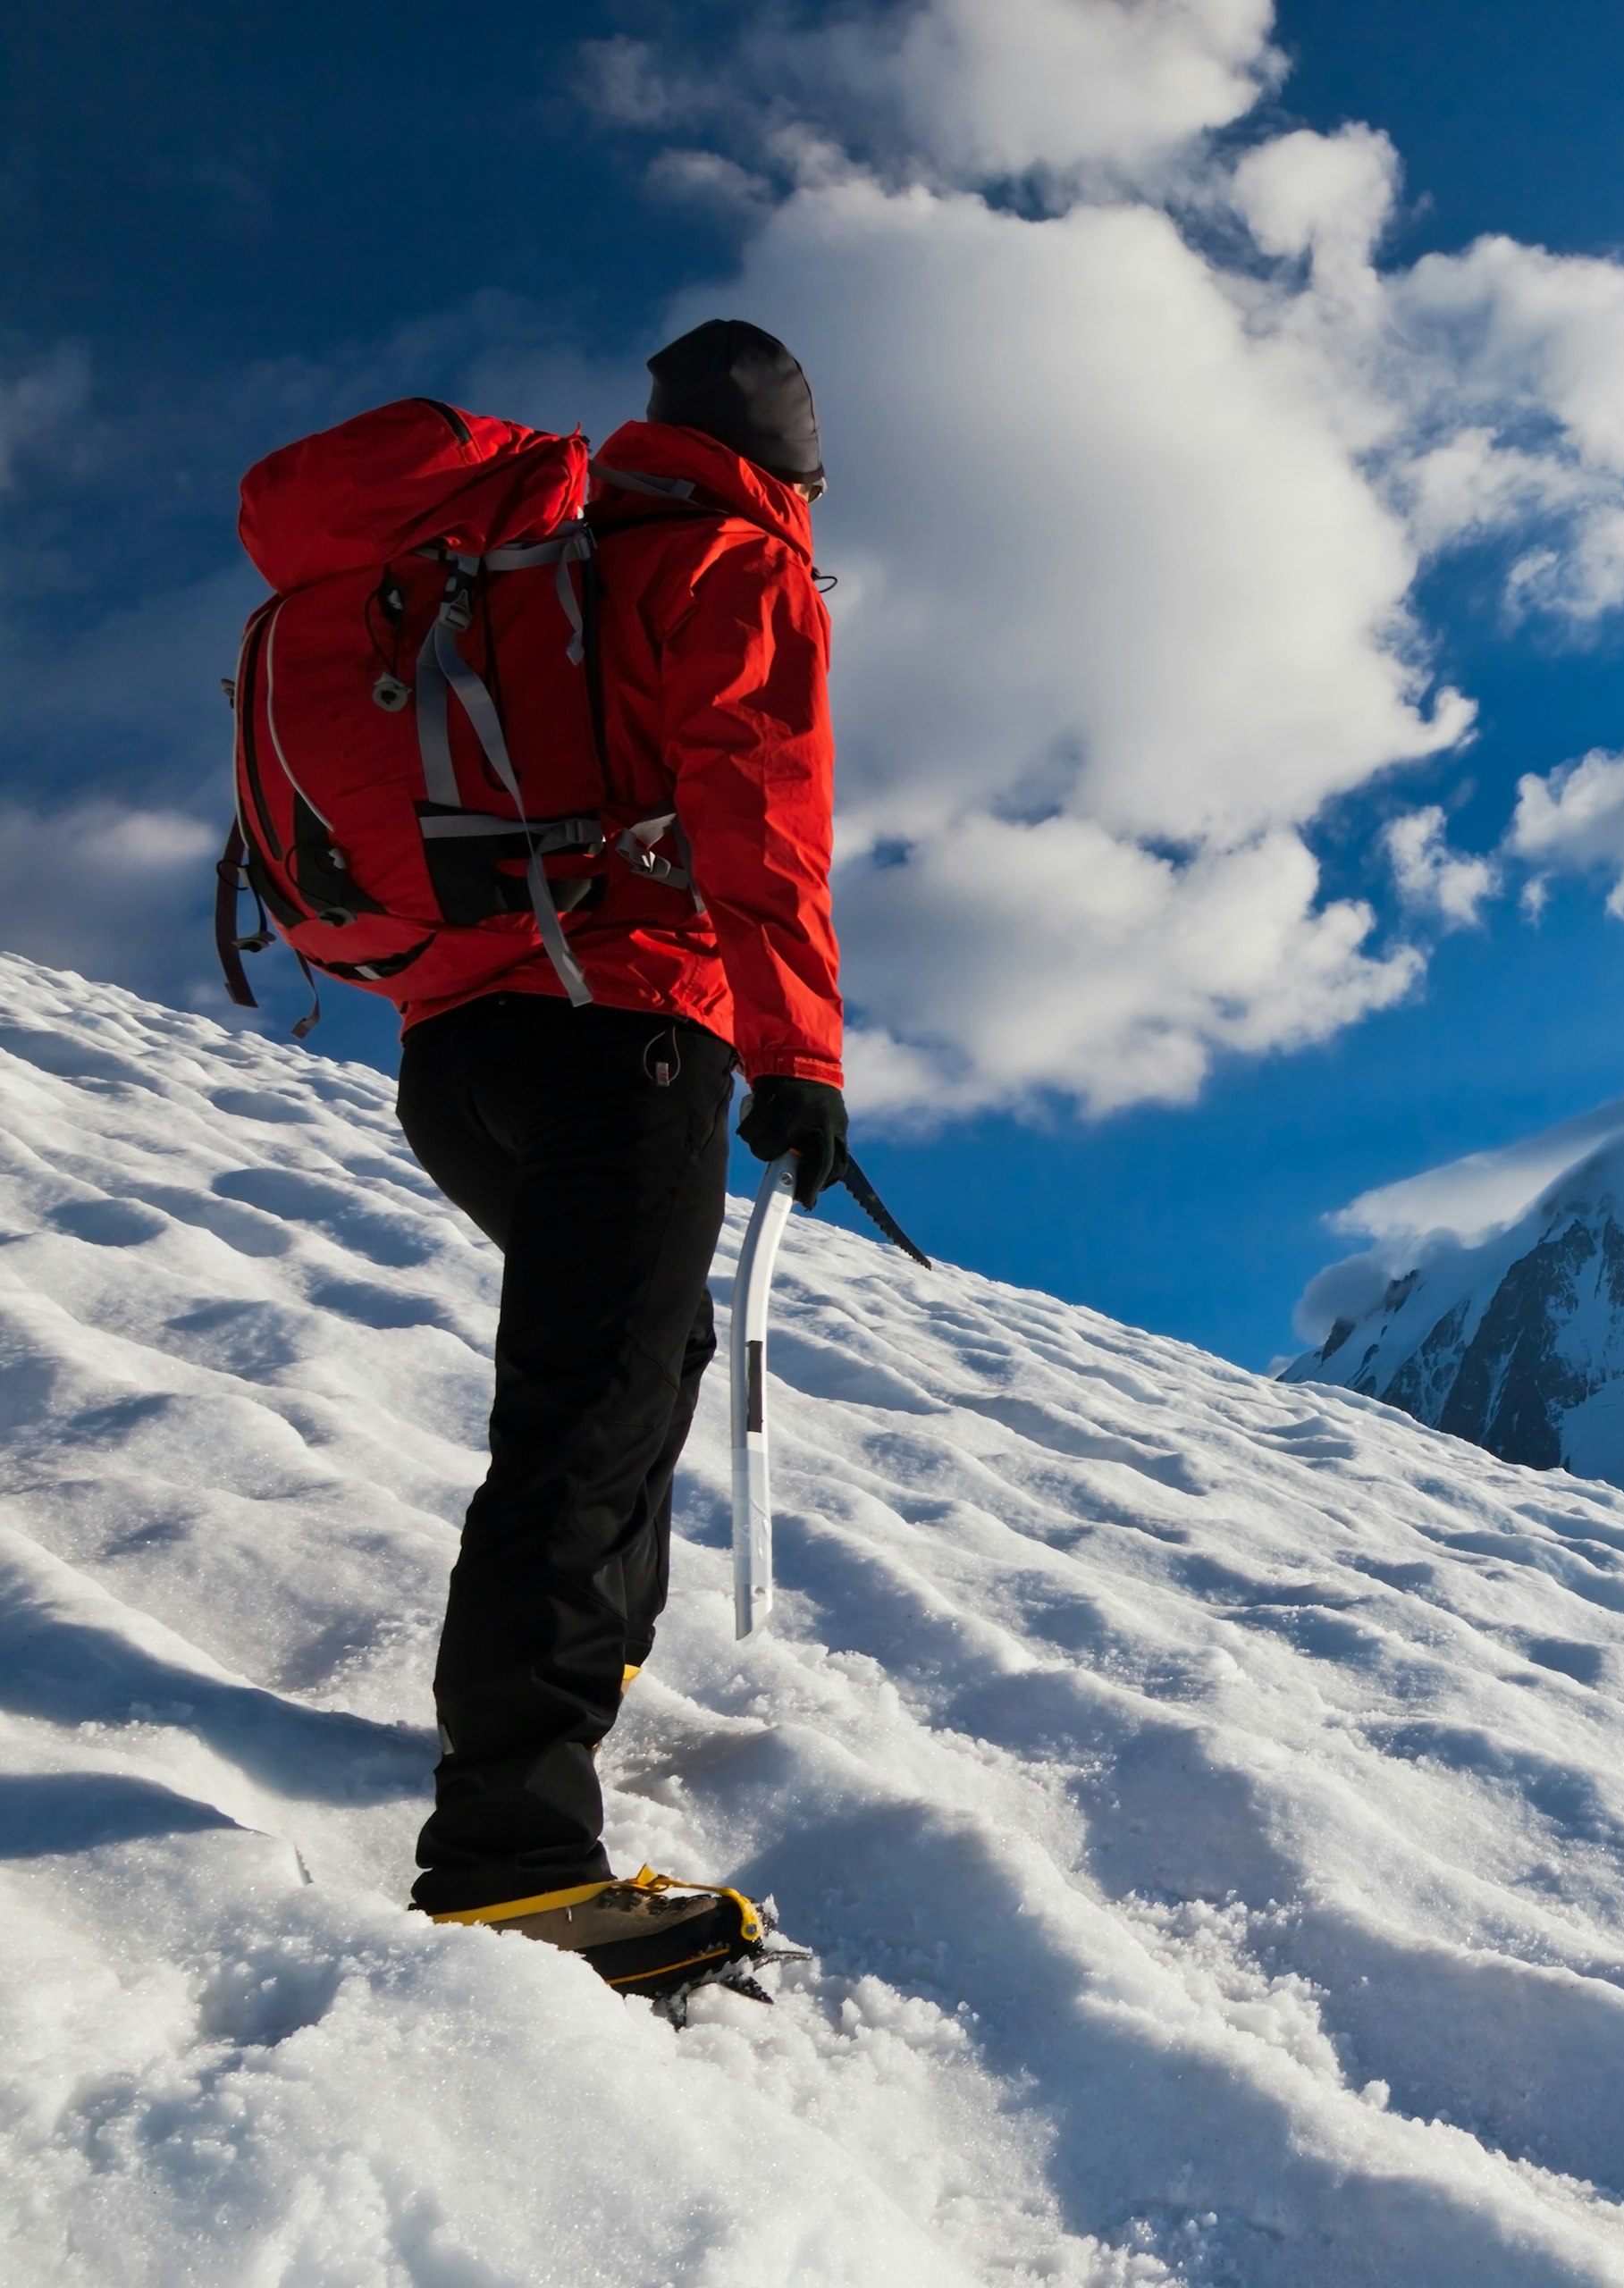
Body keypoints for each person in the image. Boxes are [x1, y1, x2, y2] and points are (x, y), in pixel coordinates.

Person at [394, 319, 851, 1991]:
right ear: (797, 467)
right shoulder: (737, 567)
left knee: (645, 1355)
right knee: (589, 1416)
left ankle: (564, 1682)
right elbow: (759, 805)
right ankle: (512, 1855)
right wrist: (799, 1057)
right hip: (626, 1030)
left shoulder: (537, 557)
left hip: (455, 1052)